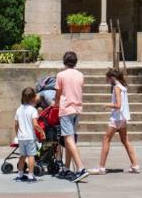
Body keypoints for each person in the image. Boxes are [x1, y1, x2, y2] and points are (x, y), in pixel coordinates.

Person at [91, 68, 140, 175]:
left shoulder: (117, 88)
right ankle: (135, 165)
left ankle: (101, 167)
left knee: (106, 139)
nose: (107, 82)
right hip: (123, 118)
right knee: (125, 140)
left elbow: (118, 105)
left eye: (108, 79)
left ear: (112, 78)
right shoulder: (123, 87)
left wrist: (107, 105)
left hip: (117, 118)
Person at [54, 51, 89, 183]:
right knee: (71, 138)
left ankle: (80, 168)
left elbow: (58, 93)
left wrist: (55, 104)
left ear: (64, 61)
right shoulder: (80, 75)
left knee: (68, 139)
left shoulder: (60, 75)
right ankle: (67, 167)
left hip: (66, 109)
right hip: (77, 109)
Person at [14, 87, 44, 183]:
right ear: (33, 98)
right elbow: (35, 124)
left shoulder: (19, 109)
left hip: (21, 137)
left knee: (22, 156)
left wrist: (17, 134)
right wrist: (42, 132)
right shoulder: (33, 110)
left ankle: (20, 175)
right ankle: (31, 176)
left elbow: (15, 124)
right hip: (30, 137)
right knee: (31, 156)